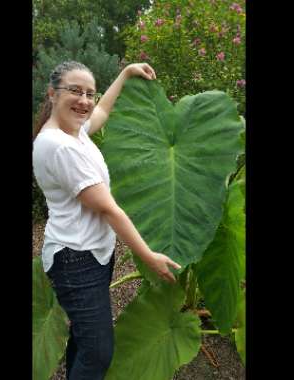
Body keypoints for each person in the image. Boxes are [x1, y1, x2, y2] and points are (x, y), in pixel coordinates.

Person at [32, 60, 182, 380]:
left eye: (90, 93)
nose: (85, 100)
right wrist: (148, 256)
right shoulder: (59, 147)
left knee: (86, 340)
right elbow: (109, 209)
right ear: (52, 94)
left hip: (90, 253)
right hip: (76, 259)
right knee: (99, 352)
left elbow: (98, 115)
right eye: (75, 91)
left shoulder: (70, 130)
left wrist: (126, 72)